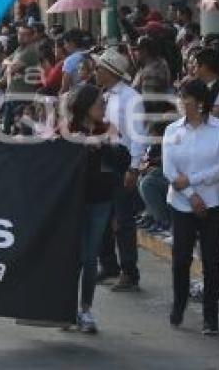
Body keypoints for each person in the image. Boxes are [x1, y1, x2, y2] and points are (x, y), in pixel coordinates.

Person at [163, 78, 219, 335]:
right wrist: (191, 194)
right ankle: (179, 304)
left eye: (187, 99)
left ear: (201, 102)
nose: (182, 103)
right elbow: (169, 169)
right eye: (180, 98)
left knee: (211, 261)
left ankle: (210, 317)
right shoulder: (172, 130)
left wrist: (193, 181)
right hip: (181, 202)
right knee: (180, 258)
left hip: (214, 201)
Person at [65, 84, 130, 333]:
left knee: (90, 256)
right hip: (73, 201)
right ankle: (66, 307)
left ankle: (85, 309)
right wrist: (79, 146)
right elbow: (55, 161)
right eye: (98, 104)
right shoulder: (68, 130)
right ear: (85, 106)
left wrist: (102, 146)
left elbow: (122, 160)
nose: (103, 107)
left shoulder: (107, 130)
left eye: (103, 103)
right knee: (73, 256)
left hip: (101, 200)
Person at [93, 48, 146, 292]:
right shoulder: (104, 95)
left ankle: (129, 271)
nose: (96, 72)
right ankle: (109, 264)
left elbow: (138, 135)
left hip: (122, 159)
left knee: (123, 219)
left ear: (110, 71)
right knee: (103, 215)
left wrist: (133, 168)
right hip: (105, 157)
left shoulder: (130, 97)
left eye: (99, 68)